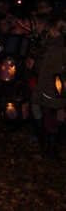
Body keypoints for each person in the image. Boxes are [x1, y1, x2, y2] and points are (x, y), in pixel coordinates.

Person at [30, 14, 66, 158]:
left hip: (50, 89)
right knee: (47, 118)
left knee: (50, 119)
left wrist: (57, 96)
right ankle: (47, 146)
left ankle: (51, 149)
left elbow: (59, 73)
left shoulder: (57, 47)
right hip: (48, 88)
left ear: (54, 29)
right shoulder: (54, 44)